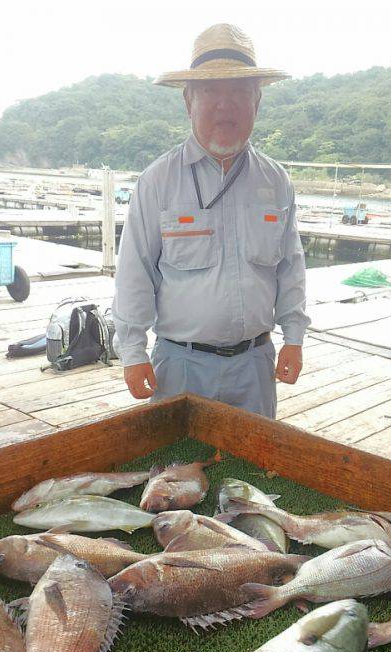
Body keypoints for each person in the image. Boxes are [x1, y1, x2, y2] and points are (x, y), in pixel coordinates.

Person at [113, 23, 310, 418]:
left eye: (239, 92)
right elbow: (134, 273)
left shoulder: (276, 179)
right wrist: (132, 352)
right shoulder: (157, 181)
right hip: (180, 365)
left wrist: (294, 338)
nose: (226, 105)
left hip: (255, 364)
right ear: (189, 101)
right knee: (174, 475)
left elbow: (291, 268)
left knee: (256, 473)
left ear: (257, 103)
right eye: (211, 91)